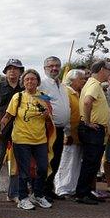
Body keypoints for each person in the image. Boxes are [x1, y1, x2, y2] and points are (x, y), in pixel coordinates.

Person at [0, 69, 54, 210]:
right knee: (24, 171)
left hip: (40, 139)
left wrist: (48, 115)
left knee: (42, 168)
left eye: (33, 79)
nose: (30, 81)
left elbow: (49, 121)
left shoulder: (44, 97)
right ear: (23, 82)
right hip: (21, 138)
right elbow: (8, 116)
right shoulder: (17, 97)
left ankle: (37, 195)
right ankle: (23, 198)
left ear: (38, 81)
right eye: (27, 79)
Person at [74, 60, 110, 205]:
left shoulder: (92, 83)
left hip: (94, 129)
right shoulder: (94, 84)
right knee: (90, 162)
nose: (109, 73)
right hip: (92, 129)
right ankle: (82, 193)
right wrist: (88, 122)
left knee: (93, 163)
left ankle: (86, 191)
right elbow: (87, 102)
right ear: (102, 69)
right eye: (109, 70)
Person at [0, 58, 24, 202]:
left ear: (20, 72)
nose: (13, 71)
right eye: (10, 68)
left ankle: (13, 193)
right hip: (1, 130)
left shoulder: (24, 89)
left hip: (19, 131)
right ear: (5, 71)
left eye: (16, 68)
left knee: (17, 162)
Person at [39, 56, 70, 200]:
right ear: (45, 68)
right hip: (48, 129)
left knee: (56, 159)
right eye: (51, 66)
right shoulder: (42, 85)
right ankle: (42, 190)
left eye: (57, 65)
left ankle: (49, 188)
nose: (54, 68)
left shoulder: (62, 85)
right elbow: (40, 104)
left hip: (61, 129)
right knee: (47, 160)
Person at [54, 69, 87, 197]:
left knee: (75, 161)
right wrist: (67, 133)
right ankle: (61, 187)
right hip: (69, 134)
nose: (84, 81)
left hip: (78, 135)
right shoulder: (66, 92)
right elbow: (66, 114)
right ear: (73, 80)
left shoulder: (78, 93)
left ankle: (71, 187)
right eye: (81, 79)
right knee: (65, 161)